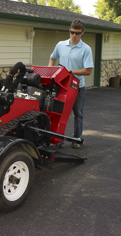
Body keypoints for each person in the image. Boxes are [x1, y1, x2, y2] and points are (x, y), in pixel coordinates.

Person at [48, 19, 94, 149]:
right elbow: (52, 57)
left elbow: (88, 70)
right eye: (72, 32)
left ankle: (76, 138)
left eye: (77, 33)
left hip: (77, 88)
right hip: (61, 87)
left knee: (78, 114)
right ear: (69, 30)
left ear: (82, 33)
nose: (74, 35)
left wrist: (70, 71)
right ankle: (58, 139)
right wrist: (51, 70)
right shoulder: (61, 45)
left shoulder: (86, 49)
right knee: (59, 113)